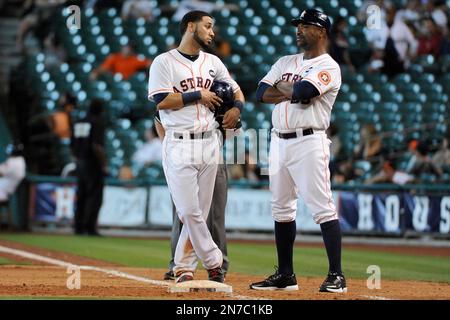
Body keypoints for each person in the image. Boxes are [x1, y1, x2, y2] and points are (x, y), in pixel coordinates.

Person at [250, 9, 347, 293]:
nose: (299, 30)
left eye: (306, 26)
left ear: (322, 32)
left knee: (322, 208)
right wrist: (290, 90)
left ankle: (336, 276)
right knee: (281, 209)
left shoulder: (329, 66)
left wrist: (288, 89)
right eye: (298, 25)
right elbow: (260, 93)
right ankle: (286, 275)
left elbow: (305, 92)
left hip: (309, 141)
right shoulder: (285, 61)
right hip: (278, 141)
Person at [147, 10, 244, 283]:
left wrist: (236, 107)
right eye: (208, 26)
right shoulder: (164, 62)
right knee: (188, 212)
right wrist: (197, 94)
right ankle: (214, 261)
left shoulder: (213, 62)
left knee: (198, 213)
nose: (212, 32)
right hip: (178, 143)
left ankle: (184, 269)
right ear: (191, 26)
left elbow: (237, 91)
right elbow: (161, 101)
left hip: (210, 142)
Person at [153, 111, 230, 281]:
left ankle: (218, 265)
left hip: (211, 156)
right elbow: (158, 118)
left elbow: (231, 128)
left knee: (213, 215)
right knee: (185, 214)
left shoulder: (219, 95)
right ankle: (192, 264)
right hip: (180, 153)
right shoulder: (179, 95)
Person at [71, 99, 107, 236]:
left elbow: (73, 143)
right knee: (94, 196)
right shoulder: (97, 122)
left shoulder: (79, 121)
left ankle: (78, 226)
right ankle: (90, 227)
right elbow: (97, 146)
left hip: (79, 161)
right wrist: (104, 164)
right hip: (92, 163)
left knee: (81, 194)